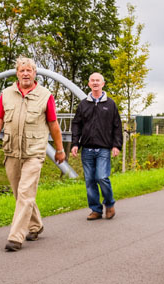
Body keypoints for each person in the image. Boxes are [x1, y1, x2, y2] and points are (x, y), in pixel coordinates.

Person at [0, 56, 66, 252]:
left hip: (34, 152)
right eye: (22, 71)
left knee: (25, 193)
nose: (26, 74)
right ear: (17, 74)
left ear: (35, 73)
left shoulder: (46, 96)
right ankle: (36, 225)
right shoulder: (7, 94)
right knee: (20, 194)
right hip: (11, 151)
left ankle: (15, 237)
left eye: (29, 70)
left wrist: (60, 149)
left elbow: (54, 125)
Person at [70, 72, 123, 221]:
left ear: (103, 84)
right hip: (87, 149)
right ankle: (96, 210)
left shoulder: (110, 104)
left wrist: (116, 145)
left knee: (102, 177)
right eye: (92, 80)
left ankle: (109, 204)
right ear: (88, 84)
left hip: (104, 148)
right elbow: (76, 125)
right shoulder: (83, 104)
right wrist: (75, 143)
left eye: (97, 80)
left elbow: (117, 126)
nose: (95, 83)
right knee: (90, 180)